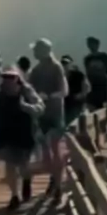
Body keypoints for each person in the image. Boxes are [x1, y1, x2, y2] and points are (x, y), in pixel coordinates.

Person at [0, 67, 44, 211]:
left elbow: (40, 108)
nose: (8, 80)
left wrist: (25, 107)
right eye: (5, 77)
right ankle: (14, 196)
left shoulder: (26, 91)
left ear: (18, 78)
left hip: (24, 132)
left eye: (11, 77)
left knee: (24, 165)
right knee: (10, 165)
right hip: (5, 133)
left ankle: (26, 180)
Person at [29, 39, 68, 202]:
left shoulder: (56, 67)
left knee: (54, 149)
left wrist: (50, 96)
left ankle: (58, 186)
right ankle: (55, 179)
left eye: (36, 50)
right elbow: (30, 90)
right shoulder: (36, 70)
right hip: (42, 114)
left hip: (54, 114)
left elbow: (63, 90)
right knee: (46, 153)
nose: (34, 53)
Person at [83, 37, 107, 110]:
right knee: (92, 106)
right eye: (89, 45)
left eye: (93, 44)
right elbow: (87, 71)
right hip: (92, 85)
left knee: (102, 105)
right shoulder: (87, 58)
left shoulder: (104, 57)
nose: (91, 47)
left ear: (97, 45)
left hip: (102, 85)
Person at [60, 55, 90, 125]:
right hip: (64, 104)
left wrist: (81, 94)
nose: (65, 65)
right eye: (63, 63)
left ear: (71, 64)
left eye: (67, 63)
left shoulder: (78, 75)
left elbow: (87, 87)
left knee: (75, 122)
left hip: (76, 103)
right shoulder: (59, 76)